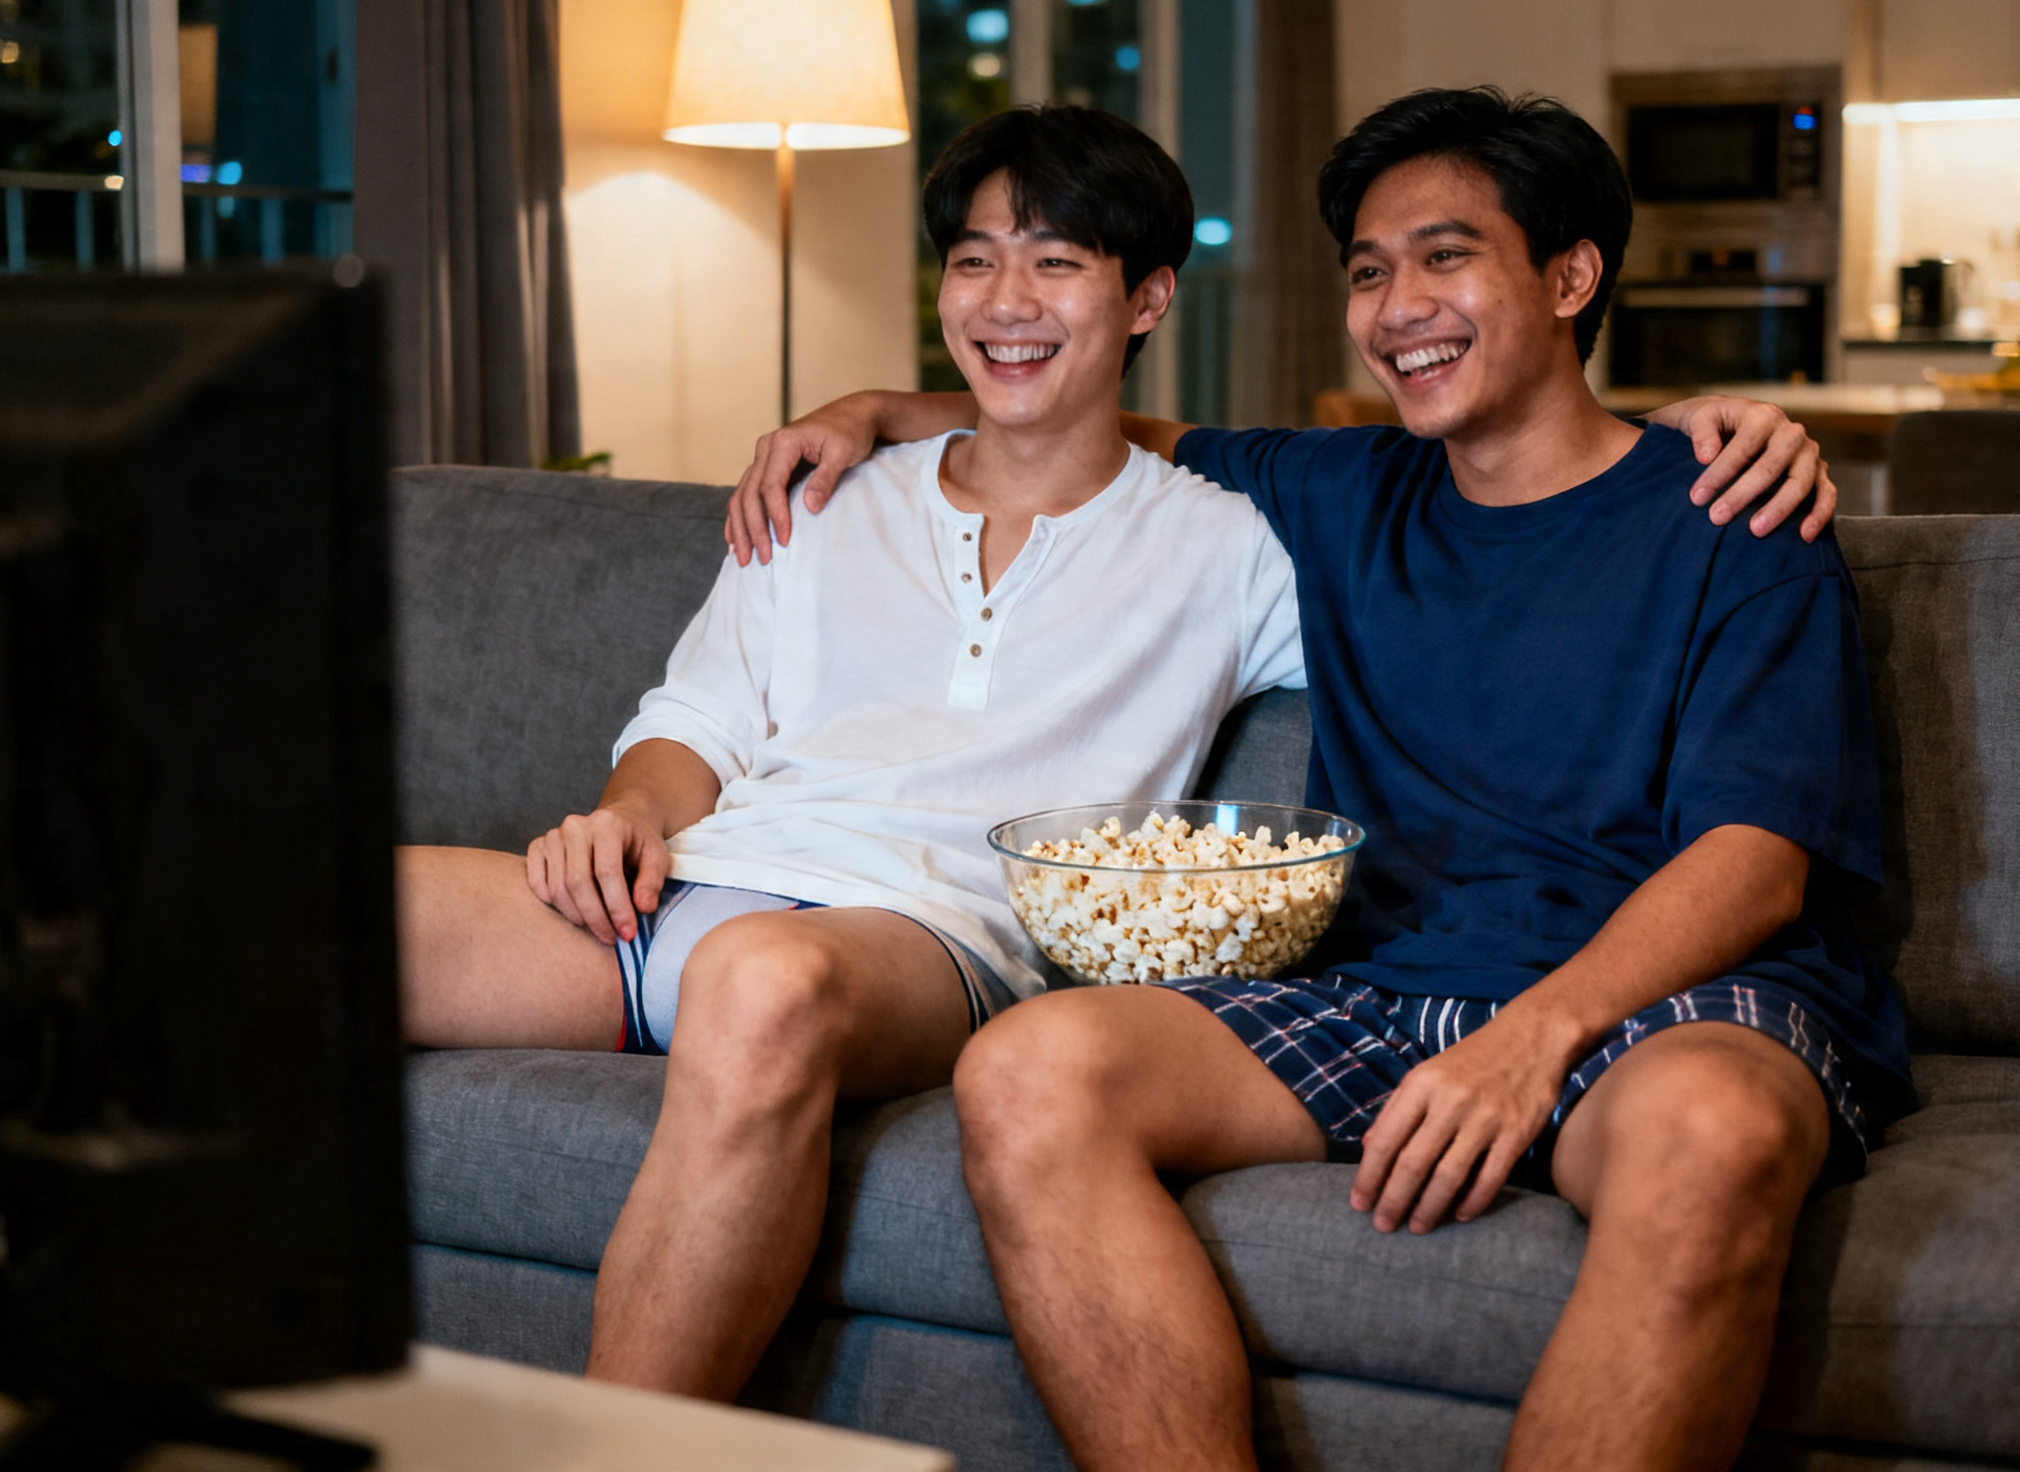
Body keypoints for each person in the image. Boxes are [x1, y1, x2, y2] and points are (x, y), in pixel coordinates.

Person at [729, 88, 1903, 1472]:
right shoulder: (1343, 492)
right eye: (1367, 270)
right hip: (1388, 986)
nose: (1399, 303)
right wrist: (873, 409)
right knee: (1034, 1069)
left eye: (1447, 256)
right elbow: (1104, 425)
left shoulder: (1734, 514)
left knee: (1709, 1139)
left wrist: (1531, 1039)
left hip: (1676, 1000)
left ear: (1572, 275)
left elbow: (1757, 861)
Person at [396, 103, 1314, 1400]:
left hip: (930, 937)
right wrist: (626, 818)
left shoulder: (1234, 553)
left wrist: (1666, 443)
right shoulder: (828, 496)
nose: (1008, 297)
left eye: (1058, 262)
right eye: (976, 258)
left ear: (1148, 296)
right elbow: (695, 719)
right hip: (698, 885)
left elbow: (1455, 518)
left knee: (760, 982)